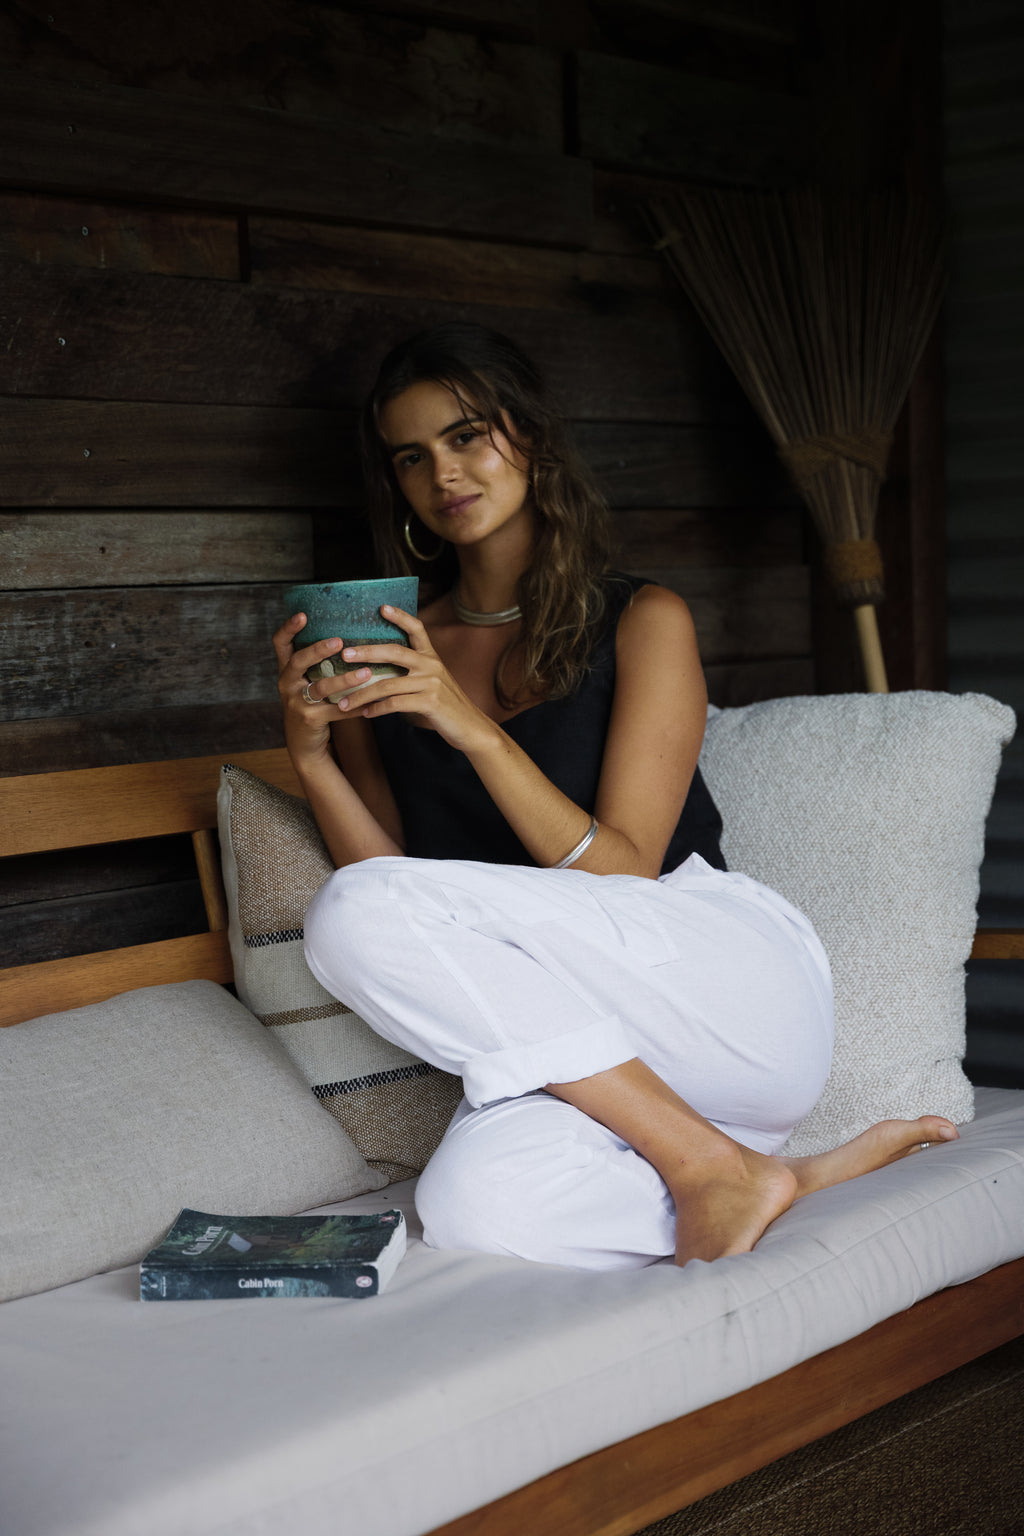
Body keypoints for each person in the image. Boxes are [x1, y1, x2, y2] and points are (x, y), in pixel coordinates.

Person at [272, 323, 958, 1272]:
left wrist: (470, 726)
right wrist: (311, 757)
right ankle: (767, 1175)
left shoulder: (643, 618)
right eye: (412, 457)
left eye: (468, 436)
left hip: (716, 991)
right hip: (591, 1046)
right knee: (476, 1206)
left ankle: (702, 1158)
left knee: (344, 911)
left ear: (530, 439)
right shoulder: (394, 647)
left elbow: (625, 866)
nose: (444, 473)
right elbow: (397, 893)